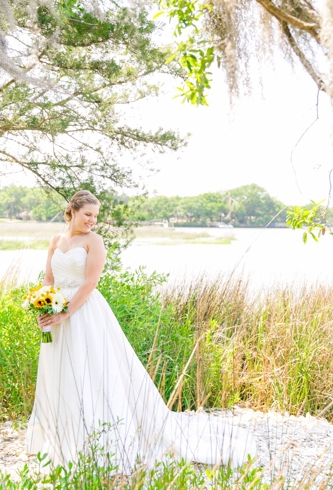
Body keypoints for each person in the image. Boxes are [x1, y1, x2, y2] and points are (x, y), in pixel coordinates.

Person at [25, 190, 257, 475]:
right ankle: (63, 438)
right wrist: (44, 307)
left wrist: (65, 313)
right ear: (73, 211)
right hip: (57, 313)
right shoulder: (56, 241)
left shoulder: (94, 242)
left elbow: (89, 284)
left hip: (83, 313)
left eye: (96, 216)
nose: (92, 221)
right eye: (88, 215)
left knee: (91, 369)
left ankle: (96, 439)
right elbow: (49, 278)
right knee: (59, 371)